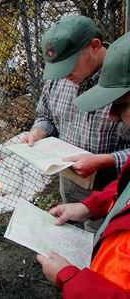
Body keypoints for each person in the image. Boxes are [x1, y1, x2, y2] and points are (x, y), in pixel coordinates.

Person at [36, 31, 130, 297]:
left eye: (121, 107)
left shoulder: (117, 76)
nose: (111, 117)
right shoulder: (56, 83)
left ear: (94, 47)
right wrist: (89, 207)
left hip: (103, 181)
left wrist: (70, 280)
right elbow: (45, 117)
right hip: (80, 189)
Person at [20, 15, 130, 232]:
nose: (64, 74)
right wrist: (39, 131)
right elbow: (46, 116)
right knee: (69, 234)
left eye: (69, 65)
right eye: (58, 69)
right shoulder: (59, 78)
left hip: (109, 187)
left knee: (96, 243)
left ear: (95, 46)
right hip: (68, 180)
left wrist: (106, 161)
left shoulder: (121, 81)